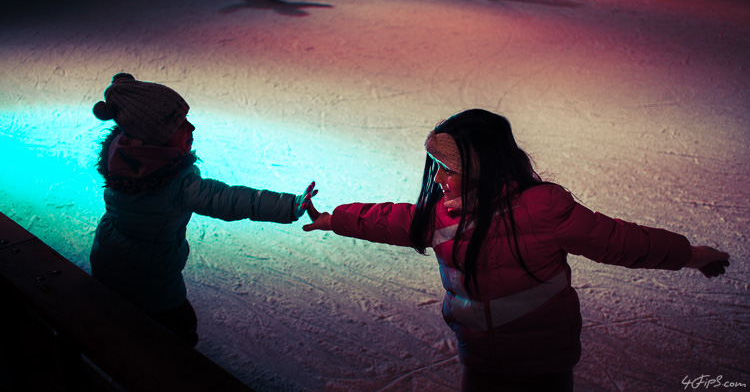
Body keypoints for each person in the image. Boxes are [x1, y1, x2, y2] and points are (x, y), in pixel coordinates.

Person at [303, 108, 730, 392]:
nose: (437, 180)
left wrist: (690, 255)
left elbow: (618, 241)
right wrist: (334, 218)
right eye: (436, 169)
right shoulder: (439, 217)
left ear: (480, 166)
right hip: (480, 355)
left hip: (545, 360)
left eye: (447, 170)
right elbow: (388, 218)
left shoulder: (543, 207)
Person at [90, 73, 316, 346]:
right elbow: (229, 199)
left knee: (123, 311)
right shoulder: (178, 184)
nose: (191, 127)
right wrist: (289, 205)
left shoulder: (123, 157)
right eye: (180, 124)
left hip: (107, 255)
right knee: (180, 326)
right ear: (156, 138)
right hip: (150, 275)